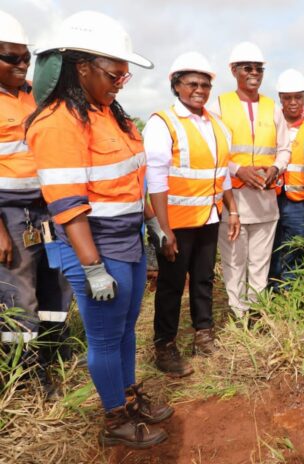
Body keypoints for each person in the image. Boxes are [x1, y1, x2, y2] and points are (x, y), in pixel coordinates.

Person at [26, 11, 171, 448]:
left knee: (125, 330)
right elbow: (67, 205)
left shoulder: (110, 114)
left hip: (126, 240)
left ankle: (127, 397)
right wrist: (91, 267)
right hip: (94, 245)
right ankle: (115, 421)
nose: (118, 83)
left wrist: (152, 223)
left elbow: (133, 177)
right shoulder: (58, 123)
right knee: (106, 338)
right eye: (113, 74)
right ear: (80, 67)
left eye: (124, 77)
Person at [144, 52, 240, 377]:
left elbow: (222, 172)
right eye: (192, 84)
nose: (199, 90)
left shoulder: (216, 125)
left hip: (208, 218)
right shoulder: (163, 122)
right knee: (171, 285)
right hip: (176, 223)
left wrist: (233, 209)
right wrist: (163, 229)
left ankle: (204, 333)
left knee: (203, 279)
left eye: (205, 84)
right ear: (176, 85)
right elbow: (155, 178)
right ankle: (165, 346)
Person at [0, 10, 73, 397]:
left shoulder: (34, 93)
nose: (22, 64)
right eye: (11, 58)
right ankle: (25, 377)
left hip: (46, 209)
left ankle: (52, 355)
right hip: (9, 212)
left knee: (57, 284)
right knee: (18, 294)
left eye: (25, 56)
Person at [214, 42, 291, 320]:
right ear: (234, 71)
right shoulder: (220, 104)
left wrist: (276, 168)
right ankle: (238, 312)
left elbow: (284, 147)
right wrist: (237, 170)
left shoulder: (273, 107)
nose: (254, 73)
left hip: (265, 200)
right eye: (248, 68)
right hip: (233, 200)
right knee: (234, 260)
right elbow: (214, 150)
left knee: (260, 260)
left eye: (259, 68)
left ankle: (257, 312)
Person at [268, 69, 304, 290]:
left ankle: (289, 297)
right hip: (271, 198)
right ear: (280, 97)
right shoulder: (271, 123)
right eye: (287, 97)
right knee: (270, 249)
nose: (293, 102)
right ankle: (270, 294)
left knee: (294, 251)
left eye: (298, 97)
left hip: (300, 202)